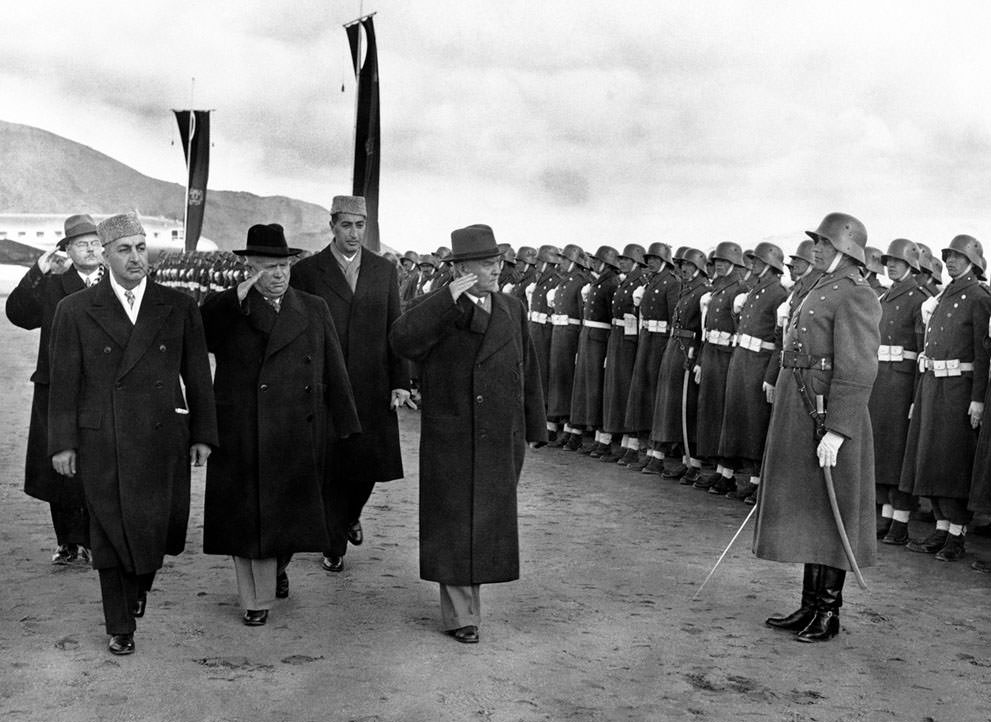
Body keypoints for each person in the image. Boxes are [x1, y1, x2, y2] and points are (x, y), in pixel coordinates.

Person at [48, 211, 218, 655]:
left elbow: (198, 374)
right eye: (124, 249)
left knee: (155, 529)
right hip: (102, 437)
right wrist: (62, 443)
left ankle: (140, 581)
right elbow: (63, 382)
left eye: (141, 248)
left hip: (163, 435)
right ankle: (119, 623)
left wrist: (203, 433)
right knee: (107, 529)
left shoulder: (177, 306)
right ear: (105, 256)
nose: (135, 257)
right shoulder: (75, 309)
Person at [390, 224, 546, 644]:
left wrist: (534, 426)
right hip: (453, 433)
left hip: (499, 435)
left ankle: (470, 609)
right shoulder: (437, 307)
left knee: (486, 521)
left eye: (497, 262)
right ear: (461, 268)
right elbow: (401, 340)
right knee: (455, 522)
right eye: (485, 263)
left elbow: (525, 369)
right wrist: (445, 300)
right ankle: (462, 616)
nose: (496, 270)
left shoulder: (512, 308)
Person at [200, 224, 360, 625]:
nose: (279, 274)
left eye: (284, 266)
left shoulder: (313, 307)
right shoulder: (230, 307)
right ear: (249, 268)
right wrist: (232, 299)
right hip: (243, 430)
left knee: (289, 517)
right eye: (268, 267)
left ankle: (278, 567)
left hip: (297, 430)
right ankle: (256, 600)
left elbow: (335, 370)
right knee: (247, 521)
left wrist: (347, 425)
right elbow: (199, 335)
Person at [754, 212, 881, 643]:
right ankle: (809, 604)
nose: (817, 248)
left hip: (829, 414)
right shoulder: (817, 286)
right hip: (805, 408)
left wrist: (839, 430)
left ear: (845, 249)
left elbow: (859, 367)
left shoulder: (856, 295)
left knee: (832, 509)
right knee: (812, 509)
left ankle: (829, 612)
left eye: (824, 243)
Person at [290, 195, 410, 573]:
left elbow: (396, 327)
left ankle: (350, 514)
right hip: (324, 385)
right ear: (332, 226)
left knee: (367, 466)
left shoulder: (383, 270)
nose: (354, 233)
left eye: (360, 226)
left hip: (372, 384)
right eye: (346, 226)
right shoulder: (309, 271)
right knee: (330, 466)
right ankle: (333, 543)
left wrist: (400, 381)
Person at [5, 214, 103, 565]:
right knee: (60, 468)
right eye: (81, 244)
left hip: (102, 391)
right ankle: (68, 542)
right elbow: (18, 315)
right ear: (68, 250)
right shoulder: (52, 284)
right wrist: (36, 272)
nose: (90, 249)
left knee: (99, 464)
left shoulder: (118, 284)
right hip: (56, 389)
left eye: (95, 243)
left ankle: (96, 539)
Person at [898, 235, 991, 562]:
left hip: (959, 389)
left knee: (952, 462)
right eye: (948, 256)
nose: (950, 261)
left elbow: (983, 354)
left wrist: (977, 399)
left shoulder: (979, 297)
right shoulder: (943, 296)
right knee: (932, 458)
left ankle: (956, 535)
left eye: (957, 256)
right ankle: (941, 527)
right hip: (934, 385)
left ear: (972, 262)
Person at [867, 239, 930, 545]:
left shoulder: (919, 297)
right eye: (889, 261)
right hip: (882, 379)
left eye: (897, 261)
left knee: (898, 452)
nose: (890, 265)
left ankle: (901, 521)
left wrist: (918, 396)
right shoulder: (886, 295)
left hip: (903, 383)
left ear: (911, 265)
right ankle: (887, 515)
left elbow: (922, 353)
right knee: (882, 449)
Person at [716, 242, 788, 502]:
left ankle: (757, 482)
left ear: (770, 264)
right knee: (736, 417)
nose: (753, 264)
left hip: (759, 362)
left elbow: (778, 342)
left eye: (758, 260)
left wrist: (770, 376)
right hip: (742, 358)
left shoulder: (778, 292)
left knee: (755, 423)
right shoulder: (755, 290)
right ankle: (728, 476)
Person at [690, 242, 747, 491]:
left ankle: (727, 474)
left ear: (734, 263)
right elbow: (706, 329)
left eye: (724, 262)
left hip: (727, 356)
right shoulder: (718, 288)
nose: (719, 265)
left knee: (724, 414)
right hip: (711, 353)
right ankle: (715, 468)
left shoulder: (739, 289)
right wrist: (701, 361)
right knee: (710, 411)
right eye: (717, 262)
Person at [625, 243, 680, 473]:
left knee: (656, 396)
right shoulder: (651, 281)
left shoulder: (671, 282)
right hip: (647, 339)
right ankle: (648, 450)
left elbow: (672, 318)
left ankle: (657, 453)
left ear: (665, 260)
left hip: (659, 342)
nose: (651, 261)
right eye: (649, 258)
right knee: (645, 395)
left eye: (655, 258)